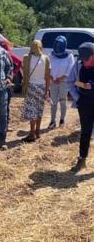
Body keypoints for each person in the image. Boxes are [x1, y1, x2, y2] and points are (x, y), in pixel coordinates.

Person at [67, 42, 94, 172]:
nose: (84, 62)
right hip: (84, 103)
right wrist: (78, 98)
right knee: (85, 132)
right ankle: (82, 160)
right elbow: (70, 81)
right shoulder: (78, 65)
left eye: (87, 59)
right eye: (82, 59)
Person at [21, 40, 51, 142]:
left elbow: (23, 69)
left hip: (31, 87)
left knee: (32, 111)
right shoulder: (46, 59)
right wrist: (47, 90)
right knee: (39, 110)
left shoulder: (27, 58)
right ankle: (38, 132)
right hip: (42, 87)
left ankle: (31, 133)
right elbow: (47, 77)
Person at [0, 41, 22, 131]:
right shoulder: (4, 54)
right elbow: (20, 62)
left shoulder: (1, 54)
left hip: (3, 82)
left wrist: (13, 73)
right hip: (5, 82)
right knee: (5, 104)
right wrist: (14, 73)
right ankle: (3, 125)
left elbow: (20, 62)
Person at [47, 35, 75, 129]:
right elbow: (48, 68)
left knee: (63, 101)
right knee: (53, 102)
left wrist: (61, 78)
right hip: (53, 81)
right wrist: (52, 78)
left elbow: (70, 70)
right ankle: (52, 121)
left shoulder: (69, 56)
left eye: (60, 44)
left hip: (64, 82)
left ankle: (62, 120)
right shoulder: (51, 55)